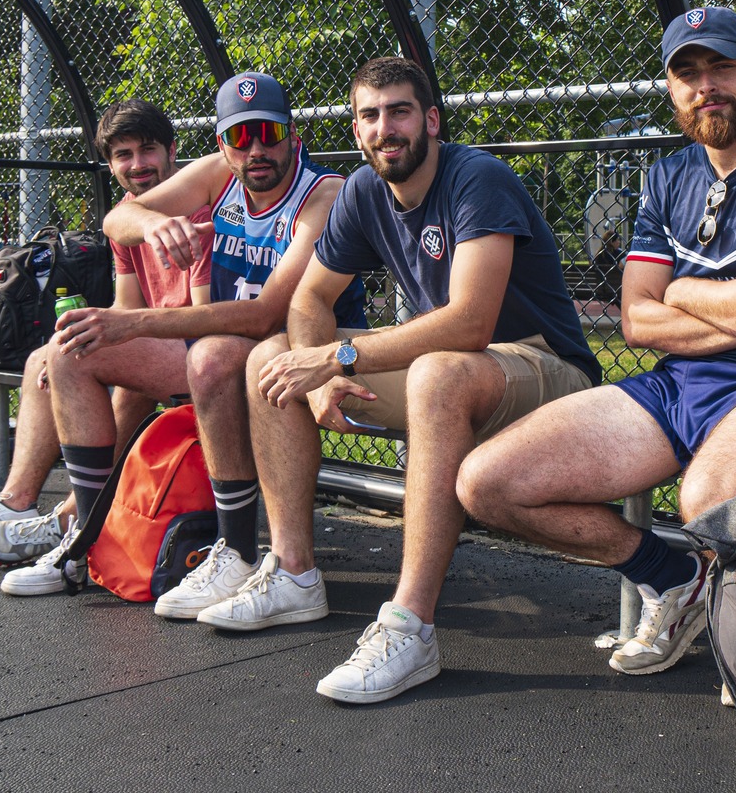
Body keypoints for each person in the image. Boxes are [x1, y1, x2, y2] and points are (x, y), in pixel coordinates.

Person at [459, 6, 736, 677]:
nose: (706, 86)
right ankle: (673, 579)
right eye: (688, 73)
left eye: (722, 67)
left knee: (708, 503)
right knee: (486, 483)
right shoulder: (667, 178)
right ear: (671, 89)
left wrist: (685, 289)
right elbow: (638, 319)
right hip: (676, 384)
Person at [227, 56, 599, 703]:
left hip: (548, 370)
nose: (384, 128)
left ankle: (411, 626)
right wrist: (316, 378)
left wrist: (340, 360)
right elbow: (309, 302)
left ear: (429, 119)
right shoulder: (364, 194)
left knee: (435, 373)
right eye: (369, 116)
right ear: (356, 127)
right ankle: (292, 575)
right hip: (454, 373)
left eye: (399, 111)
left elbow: (471, 323)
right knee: (271, 360)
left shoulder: (476, 178)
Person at [0, 72, 365, 602]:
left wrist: (135, 322)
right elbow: (117, 218)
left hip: (294, 344)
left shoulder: (325, 193)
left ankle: (236, 553)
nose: (256, 149)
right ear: (223, 144)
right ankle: (84, 539)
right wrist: (150, 225)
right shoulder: (221, 173)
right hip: (222, 341)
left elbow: (264, 316)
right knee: (70, 350)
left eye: (268, 133)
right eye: (241, 137)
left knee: (212, 357)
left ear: (292, 135)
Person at [0, 101, 207, 566]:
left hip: (203, 345)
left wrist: (107, 337)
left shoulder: (199, 204)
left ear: (173, 151)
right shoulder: (125, 219)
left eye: (148, 150)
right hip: (157, 337)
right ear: (110, 164)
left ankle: (75, 518)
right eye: (123, 155)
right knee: (46, 357)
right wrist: (93, 328)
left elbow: (204, 315)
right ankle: (16, 502)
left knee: (73, 355)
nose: (137, 165)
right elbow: (126, 308)